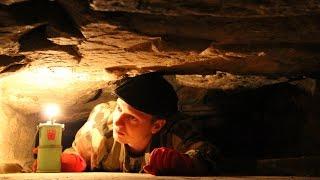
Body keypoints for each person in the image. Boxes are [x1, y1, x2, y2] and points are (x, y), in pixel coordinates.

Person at [33, 72, 220, 175]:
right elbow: (78, 154)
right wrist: (67, 162)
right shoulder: (103, 121)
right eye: (120, 109)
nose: (118, 122)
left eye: (132, 118)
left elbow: (208, 154)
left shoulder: (175, 129)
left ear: (157, 125)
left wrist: (184, 163)